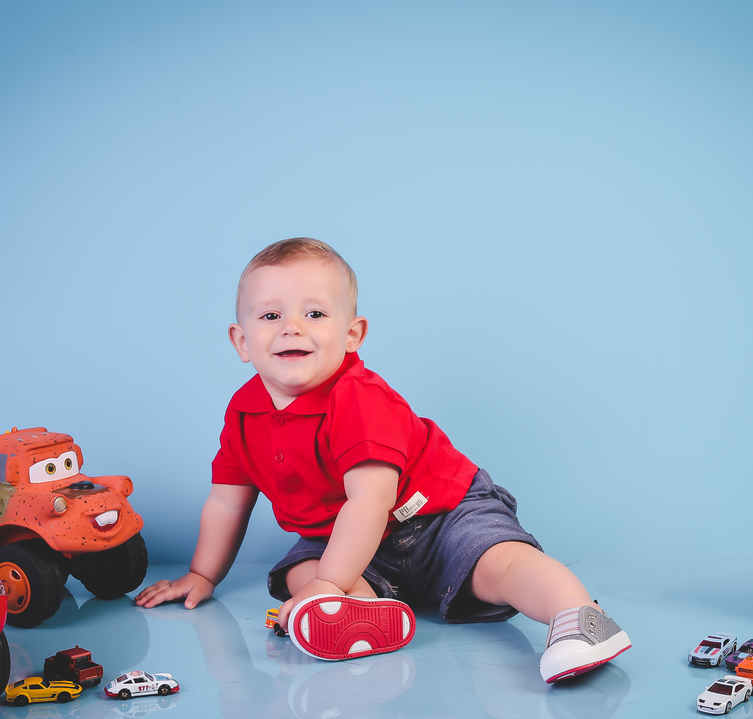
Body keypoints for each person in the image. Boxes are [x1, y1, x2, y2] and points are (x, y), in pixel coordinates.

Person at [135, 238, 630, 682]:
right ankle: (357, 611)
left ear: (353, 335)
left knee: (498, 564)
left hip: (439, 515)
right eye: (270, 316)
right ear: (241, 341)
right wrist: (204, 574)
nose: (291, 328)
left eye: (314, 314)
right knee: (296, 573)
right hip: (346, 539)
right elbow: (227, 503)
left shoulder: (359, 397)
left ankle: (578, 616)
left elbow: (370, 502)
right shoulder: (244, 414)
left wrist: (332, 577)